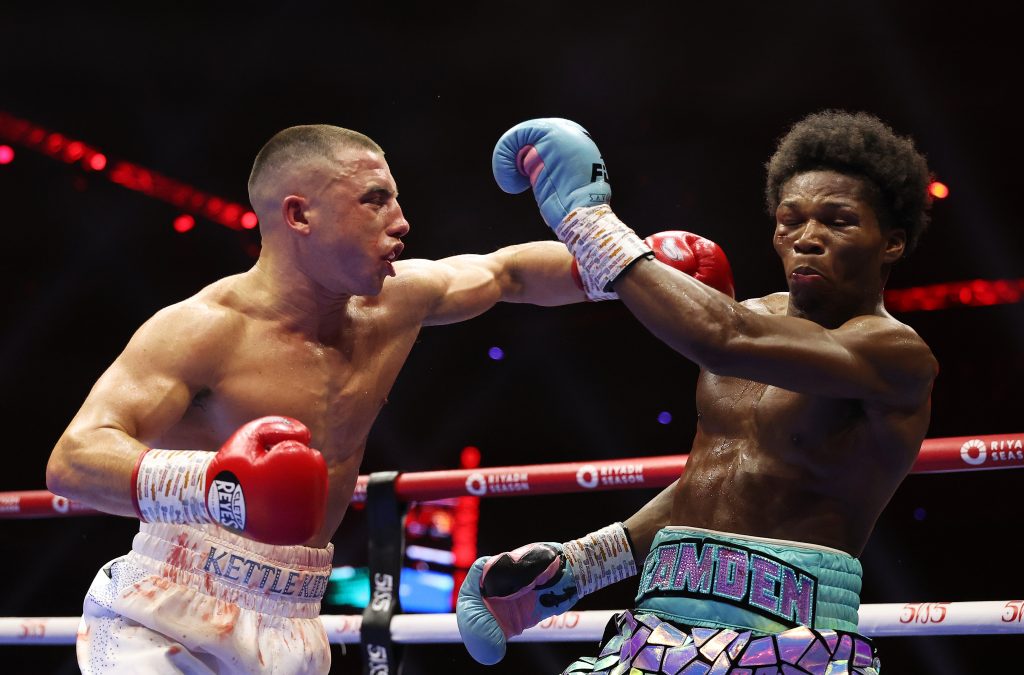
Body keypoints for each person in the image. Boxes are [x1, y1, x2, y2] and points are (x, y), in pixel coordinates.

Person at [46, 123, 733, 674]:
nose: (402, 221)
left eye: (397, 199)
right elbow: (73, 459)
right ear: (299, 214)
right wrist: (214, 481)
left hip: (292, 620)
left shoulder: (396, 303)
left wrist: (637, 264)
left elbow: (510, 274)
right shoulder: (202, 329)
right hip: (162, 618)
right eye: (375, 199)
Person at [457, 111, 938, 674]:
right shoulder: (750, 319)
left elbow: (720, 339)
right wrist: (578, 566)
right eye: (791, 221)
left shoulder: (896, 356)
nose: (807, 238)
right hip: (657, 622)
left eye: (838, 222)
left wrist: (588, 223)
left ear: (893, 242)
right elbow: (712, 481)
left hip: (789, 636)